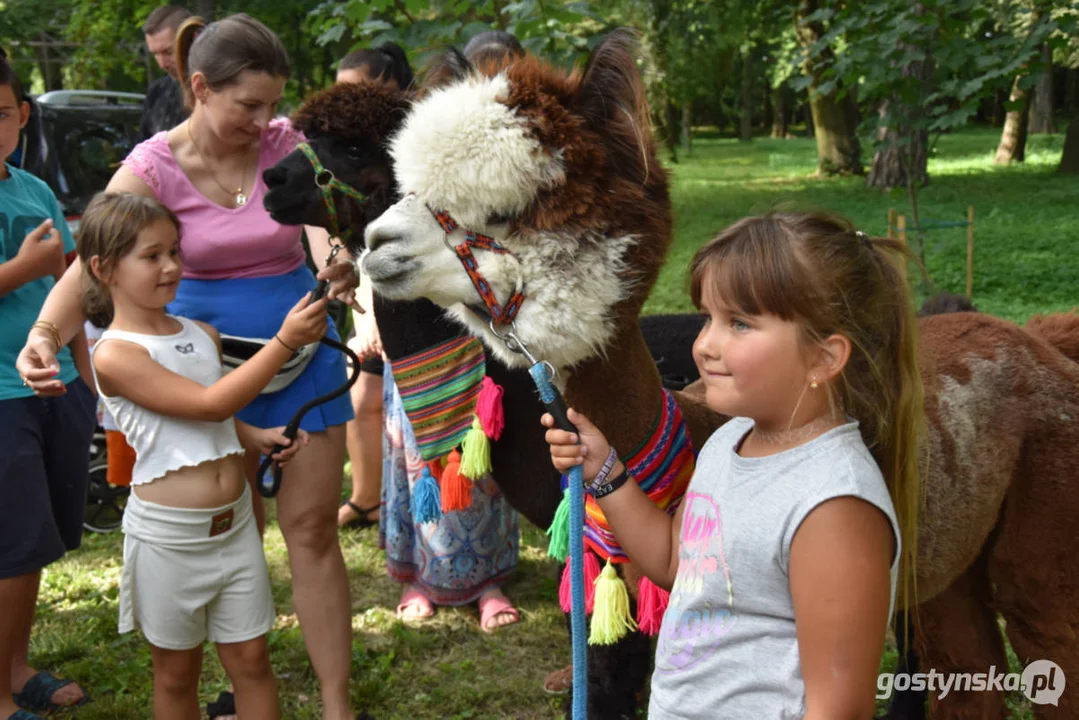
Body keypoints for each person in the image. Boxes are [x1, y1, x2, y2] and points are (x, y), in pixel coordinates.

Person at [16, 14, 362, 720]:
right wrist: (46, 333)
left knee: (314, 533)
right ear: (200, 88)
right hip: (199, 373)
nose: (266, 121)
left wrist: (334, 257)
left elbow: (324, 214)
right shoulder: (151, 167)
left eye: (272, 104)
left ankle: (335, 704)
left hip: (301, 359)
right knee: (238, 530)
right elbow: (92, 262)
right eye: (249, 106)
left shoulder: (285, 141)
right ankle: (243, 683)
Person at [544, 211, 925, 718]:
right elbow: (678, 562)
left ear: (823, 358)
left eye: (740, 323)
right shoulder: (730, 442)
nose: (704, 345)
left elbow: (840, 708)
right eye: (708, 318)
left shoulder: (834, 507)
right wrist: (605, 472)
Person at [79, 192, 324, 720]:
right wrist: (283, 342)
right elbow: (209, 404)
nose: (170, 267)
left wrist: (255, 436)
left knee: (254, 660)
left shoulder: (200, 334)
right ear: (103, 269)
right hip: (169, 538)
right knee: (175, 674)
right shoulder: (116, 353)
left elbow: (201, 416)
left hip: (233, 526)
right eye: (150, 256)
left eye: (174, 252)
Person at [381, 33, 522, 632]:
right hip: (419, 334)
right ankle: (419, 572)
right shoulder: (416, 160)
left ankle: (487, 575)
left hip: (486, 330)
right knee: (416, 452)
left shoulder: (520, 164)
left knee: (485, 451)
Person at [0, 54, 96, 720]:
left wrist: (88, 380)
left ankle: (14, 665)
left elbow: (70, 291)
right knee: (11, 543)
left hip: (56, 390)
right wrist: (19, 267)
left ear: (21, 116)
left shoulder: (34, 192)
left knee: (32, 543)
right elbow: (36, 271)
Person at [333, 42, 413, 530]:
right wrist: (364, 303)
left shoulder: (409, 150)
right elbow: (341, 234)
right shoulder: (339, 153)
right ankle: (367, 498)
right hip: (365, 293)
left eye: (357, 92)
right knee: (361, 399)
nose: (347, 104)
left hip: (415, 298)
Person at [139, 5, 191, 140]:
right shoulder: (157, 93)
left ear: (192, 39)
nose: (162, 64)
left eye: (168, 52)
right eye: (155, 54)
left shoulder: (220, 89)